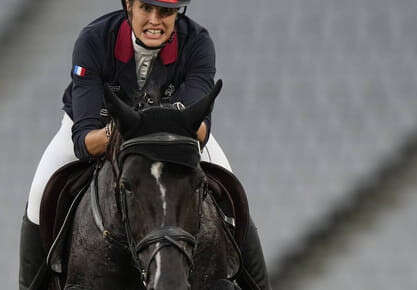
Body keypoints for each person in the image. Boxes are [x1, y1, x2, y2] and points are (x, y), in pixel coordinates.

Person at [19, 0, 271, 289]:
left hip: (175, 136)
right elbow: (85, 140)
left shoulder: (198, 42)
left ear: (177, 13)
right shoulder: (94, 39)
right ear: (128, 5)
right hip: (104, 130)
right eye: (146, 9)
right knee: (40, 192)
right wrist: (124, 132)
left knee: (232, 189)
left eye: (165, 12)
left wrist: (153, 125)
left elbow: (199, 128)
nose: (155, 20)